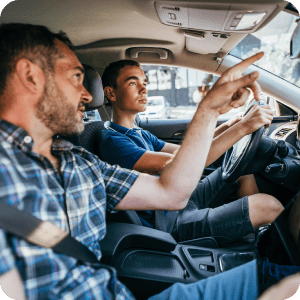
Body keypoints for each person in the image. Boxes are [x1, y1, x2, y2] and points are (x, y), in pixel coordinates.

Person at [0, 23, 298, 300]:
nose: (85, 95)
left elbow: (172, 190)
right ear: (31, 76)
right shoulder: (11, 169)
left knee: (279, 281)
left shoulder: (79, 161)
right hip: (161, 227)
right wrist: (239, 127)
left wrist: (211, 111)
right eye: (76, 77)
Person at [100, 59, 284, 244]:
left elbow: (185, 151)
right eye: (133, 83)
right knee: (268, 206)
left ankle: (253, 238)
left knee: (243, 173)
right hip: (169, 223)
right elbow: (177, 164)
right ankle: (260, 242)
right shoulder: (113, 141)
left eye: (144, 82)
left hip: (180, 199)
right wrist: (243, 128)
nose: (143, 89)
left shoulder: (140, 133)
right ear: (110, 93)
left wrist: (230, 125)